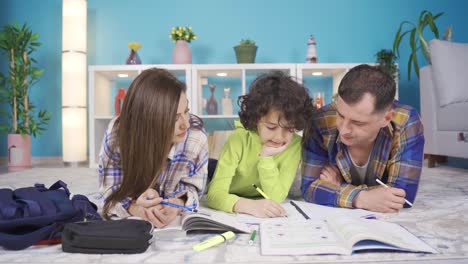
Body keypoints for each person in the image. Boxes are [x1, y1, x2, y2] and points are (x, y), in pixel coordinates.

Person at [302, 64, 424, 213]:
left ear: (386, 118)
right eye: (340, 115)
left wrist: (338, 188)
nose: (344, 129)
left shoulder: (406, 121)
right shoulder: (321, 119)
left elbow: (402, 198)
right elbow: (308, 188)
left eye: (357, 122)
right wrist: (361, 198)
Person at [98, 68, 209, 228]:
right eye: (174, 118)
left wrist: (178, 204)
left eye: (186, 112)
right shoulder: (117, 135)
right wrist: (135, 208)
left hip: (197, 163)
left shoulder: (195, 137)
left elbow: (193, 188)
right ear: (148, 120)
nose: (185, 123)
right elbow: (108, 190)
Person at [206, 71, 314, 218]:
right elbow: (214, 195)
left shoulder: (294, 144)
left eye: (289, 129)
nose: (279, 137)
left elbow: (277, 198)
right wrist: (249, 205)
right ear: (256, 119)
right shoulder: (238, 139)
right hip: (219, 177)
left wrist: (266, 158)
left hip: (253, 191)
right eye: (271, 127)